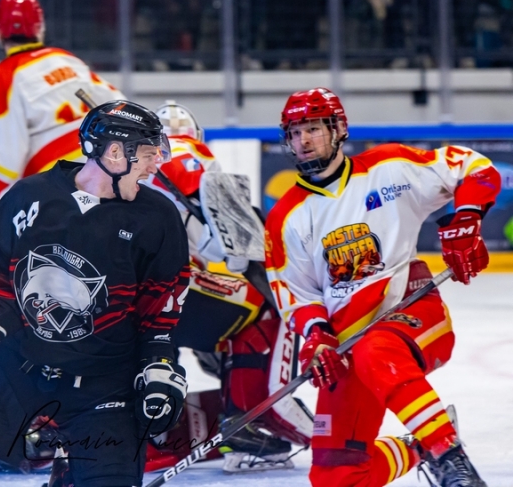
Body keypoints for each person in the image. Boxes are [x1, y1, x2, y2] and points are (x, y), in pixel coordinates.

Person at [0, 100, 190, 487]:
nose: (156, 166)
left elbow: (159, 310)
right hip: (19, 363)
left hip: (104, 380)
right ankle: (41, 441)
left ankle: (70, 460)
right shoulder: (31, 197)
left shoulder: (158, 218)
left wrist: (159, 366)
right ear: (115, 153)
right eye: (149, 154)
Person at [265, 87, 498, 487]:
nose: (303, 141)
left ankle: (449, 459)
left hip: (412, 311)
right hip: (346, 346)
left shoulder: (390, 167)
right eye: (295, 133)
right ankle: (421, 445)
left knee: (377, 349)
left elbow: (474, 168)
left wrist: (469, 219)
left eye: (313, 129)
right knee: (335, 476)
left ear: (338, 129)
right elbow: (297, 295)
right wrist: (318, 337)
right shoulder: (286, 217)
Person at [143, 101, 313, 474]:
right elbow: (235, 244)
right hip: (168, 288)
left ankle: (141, 433)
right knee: (270, 305)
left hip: (108, 295)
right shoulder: (189, 153)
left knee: (157, 341)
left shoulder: (111, 166)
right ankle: (246, 420)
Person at [0, 0, 124, 249]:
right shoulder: (68, 60)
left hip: (61, 189)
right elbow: (121, 108)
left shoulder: (2, 79)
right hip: (113, 173)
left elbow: (4, 161)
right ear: (40, 27)